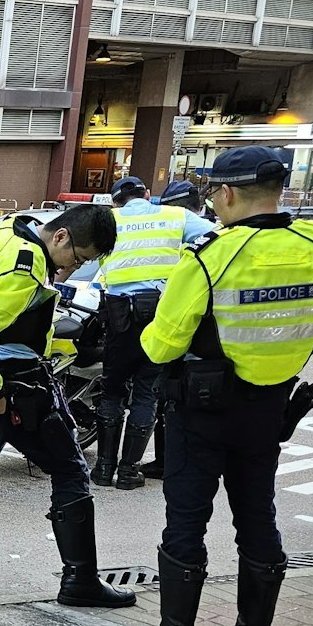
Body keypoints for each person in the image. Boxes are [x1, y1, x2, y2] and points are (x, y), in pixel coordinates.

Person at [127, 147, 313, 626]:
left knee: (187, 518)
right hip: (269, 407)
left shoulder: (211, 255)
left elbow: (160, 348)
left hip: (202, 410)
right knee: (258, 516)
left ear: (226, 193)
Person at [0, 204, 133, 609]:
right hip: (11, 382)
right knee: (71, 469)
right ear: (60, 237)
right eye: (78, 258)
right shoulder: (24, 270)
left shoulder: (7, 231)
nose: (73, 268)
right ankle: (80, 581)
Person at [92, 176, 214, 490]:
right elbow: (216, 239)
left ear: (115, 201)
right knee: (146, 391)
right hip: (160, 312)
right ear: (148, 194)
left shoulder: (108, 219)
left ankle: (103, 470)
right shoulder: (176, 216)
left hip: (119, 314)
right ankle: (128, 471)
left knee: (112, 391)